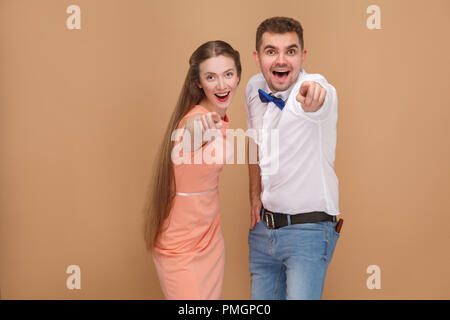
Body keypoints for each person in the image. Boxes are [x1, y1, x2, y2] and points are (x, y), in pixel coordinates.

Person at [246, 16, 343, 300]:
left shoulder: (312, 87)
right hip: (264, 233)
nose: (281, 60)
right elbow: (253, 142)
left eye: (290, 51)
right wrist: (254, 196)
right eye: (271, 51)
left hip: (308, 232)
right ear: (257, 57)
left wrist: (316, 96)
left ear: (302, 55)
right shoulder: (253, 89)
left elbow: (320, 95)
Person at [143, 40, 241, 299]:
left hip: (210, 237)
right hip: (181, 245)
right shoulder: (196, 119)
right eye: (211, 77)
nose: (222, 85)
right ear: (199, 82)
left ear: (238, 76)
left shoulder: (222, 119)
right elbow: (191, 133)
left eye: (228, 75)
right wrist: (201, 128)